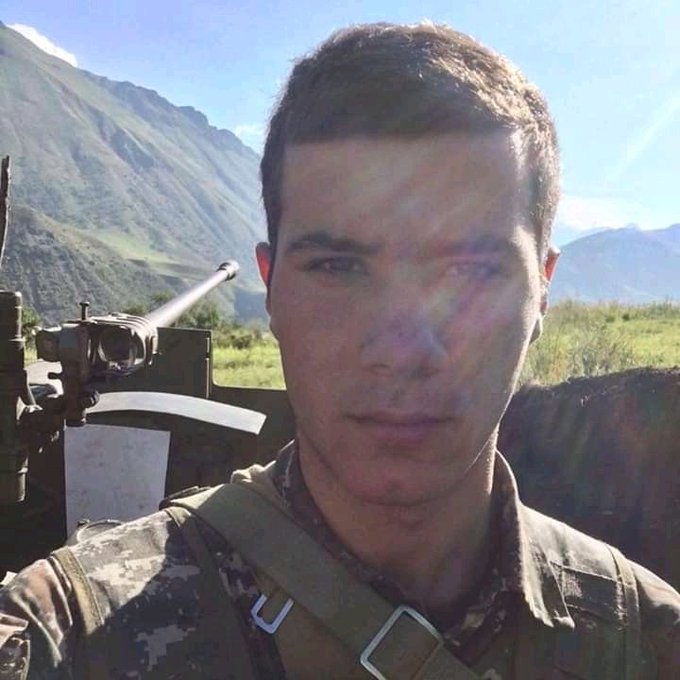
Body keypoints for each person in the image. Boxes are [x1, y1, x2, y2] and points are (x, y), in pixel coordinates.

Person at [1, 21, 678, 679]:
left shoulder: (649, 641)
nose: (402, 350)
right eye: (338, 267)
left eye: (471, 271)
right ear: (271, 288)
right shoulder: (63, 637)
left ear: (543, 292)